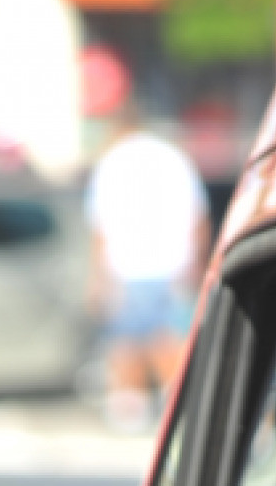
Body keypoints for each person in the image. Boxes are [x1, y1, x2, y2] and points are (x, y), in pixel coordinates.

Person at [85, 90, 210, 430]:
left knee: (127, 343)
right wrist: (196, 263)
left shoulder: (111, 163)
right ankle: (179, 408)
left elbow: (101, 228)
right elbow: (199, 217)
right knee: (168, 338)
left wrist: (97, 278)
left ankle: (131, 415)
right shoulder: (173, 158)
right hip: (173, 264)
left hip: (128, 266)